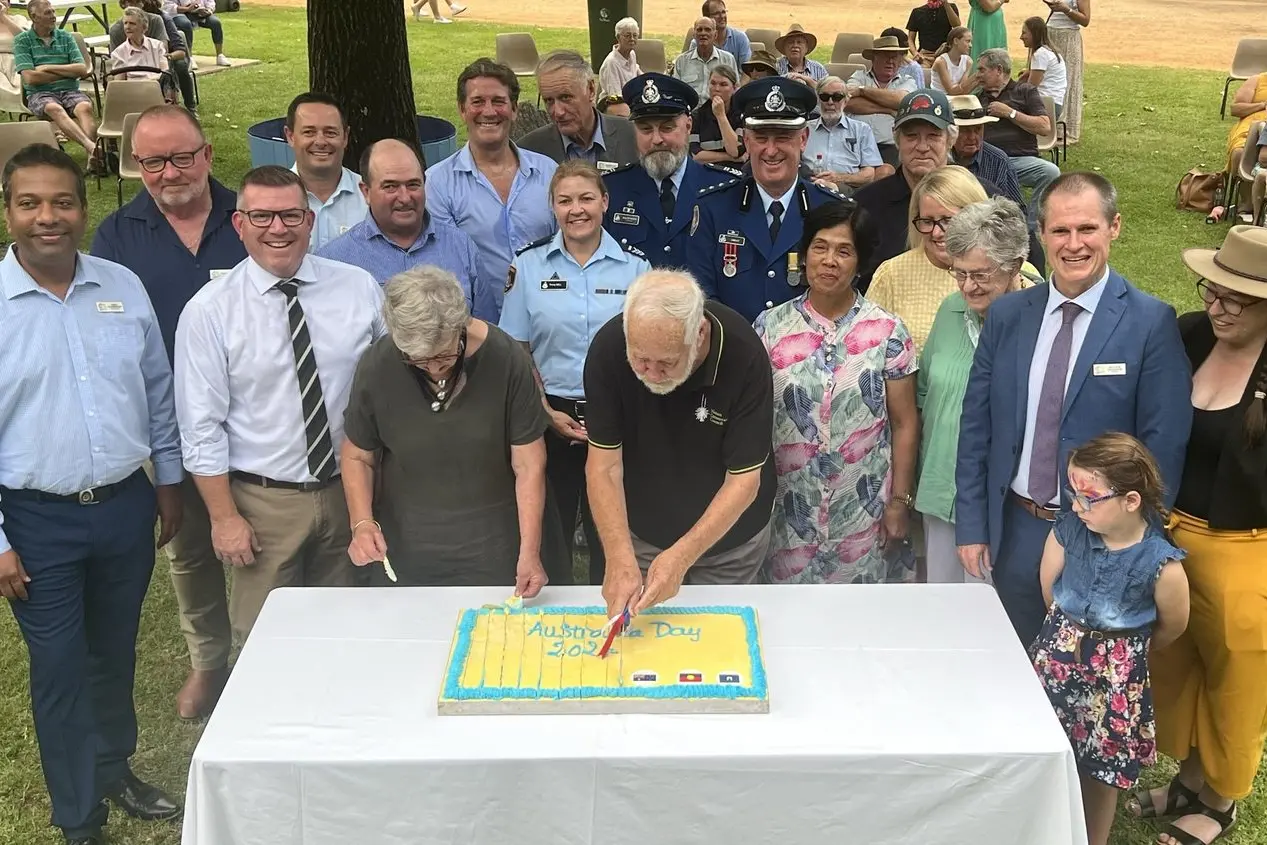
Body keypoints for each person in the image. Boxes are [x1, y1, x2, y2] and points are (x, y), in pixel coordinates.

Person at [0, 144, 183, 845]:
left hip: (123, 506)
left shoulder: (122, 286)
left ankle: (114, 766)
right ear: (10, 210)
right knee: (60, 666)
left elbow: (157, 393)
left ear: (82, 208)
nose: (48, 217)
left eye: (62, 201)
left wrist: (167, 482)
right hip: (36, 519)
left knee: (115, 649)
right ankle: (80, 817)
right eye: (30, 203)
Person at [954, 172, 1193, 648]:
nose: (1074, 244)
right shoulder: (1007, 315)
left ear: (1115, 227)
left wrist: (1133, 542)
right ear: (1041, 235)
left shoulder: (1150, 323)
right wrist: (973, 525)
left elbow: (1163, 442)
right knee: (1012, 670)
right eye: (1060, 231)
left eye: (1088, 229)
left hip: (1103, 540)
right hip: (1017, 528)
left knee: (1090, 687)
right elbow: (977, 426)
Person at [174, 166, 386, 645]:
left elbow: (389, 385)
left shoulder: (357, 288)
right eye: (263, 216)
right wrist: (225, 518)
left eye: (290, 215)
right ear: (239, 224)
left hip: (347, 490)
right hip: (263, 502)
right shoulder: (210, 312)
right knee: (263, 640)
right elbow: (201, 427)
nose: (278, 229)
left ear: (309, 220)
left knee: (346, 628)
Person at [89, 105, 246, 721]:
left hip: (259, 419)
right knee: (191, 549)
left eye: (181, 156)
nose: (169, 172)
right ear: (137, 167)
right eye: (152, 161)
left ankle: (272, 653)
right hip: (170, 424)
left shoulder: (248, 217)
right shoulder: (117, 235)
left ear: (207, 154)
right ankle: (209, 660)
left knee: (271, 538)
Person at [1135, 226, 1267, 845]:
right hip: (1170, 536)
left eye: (1235, 300)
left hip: (1248, 548)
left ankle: (1219, 801)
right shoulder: (1189, 336)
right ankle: (1189, 777)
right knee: (1175, 663)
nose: (1217, 308)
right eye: (1212, 292)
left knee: (1237, 675)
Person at [343, 265, 553, 592]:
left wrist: (530, 552)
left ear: (461, 326)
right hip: (407, 546)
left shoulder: (506, 358)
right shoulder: (378, 364)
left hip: (496, 545)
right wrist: (362, 523)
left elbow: (528, 463)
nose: (436, 370)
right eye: (419, 362)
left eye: (445, 356)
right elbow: (358, 456)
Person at [585, 270, 776, 618]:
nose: (652, 374)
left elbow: (744, 480)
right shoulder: (608, 349)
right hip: (642, 532)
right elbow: (604, 465)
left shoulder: (744, 354)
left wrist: (683, 555)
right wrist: (618, 556)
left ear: (699, 333)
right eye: (641, 359)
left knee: (717, 645)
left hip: (729, 544)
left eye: (667, 362)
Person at [1031, 433, 1190, 845]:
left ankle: (1093, 838)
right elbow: (1049, 586)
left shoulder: (1162, 564)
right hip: (1058, 661)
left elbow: (1173, 624)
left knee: (1101, 771)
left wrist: (1124, 653)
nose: (1077, 506)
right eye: (1073, 494)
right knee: (1047, 748)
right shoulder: (1069, 531)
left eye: (1089, 498)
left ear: (1131, 501)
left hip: (1114, 680)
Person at [501, 161, 651, 585]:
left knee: (615, 531)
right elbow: (516, 348)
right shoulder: (528, 267)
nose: (576, 209)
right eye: (565, 201)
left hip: (619, 416)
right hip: (552, 414)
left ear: (605, 201)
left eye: (586, 198)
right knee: (554, 529)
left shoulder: (636, 269)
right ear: (553, 206)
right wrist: (543, 409)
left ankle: (613, 611)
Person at [756, 201, 920, 584]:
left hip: (862, 511)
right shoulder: (770, 327)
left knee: (859, 625)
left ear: (860, 263)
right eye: (820, 247)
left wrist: (899, 503)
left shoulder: (887, 332)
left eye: (844, 251)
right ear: (804, 253)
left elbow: (904, 422)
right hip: (787, 511)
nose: (830, 260)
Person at [917, 197, 1037, 583]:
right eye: (959, 273)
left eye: (981, 275)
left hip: (1005, 503)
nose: (968, 286)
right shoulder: (950, 309)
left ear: (1015, 266)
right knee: (943, 616)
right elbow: (924, 394)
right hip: (941, 489)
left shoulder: (1039, 320)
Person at [689, 76, 849, 322]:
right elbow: (703, 295)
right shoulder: (713, 208)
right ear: (747, 141)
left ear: (803, 139)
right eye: (762, 138)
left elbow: (840, 298)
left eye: (783, 137)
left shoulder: (831, 210)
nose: (771, 150)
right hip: (733, 351)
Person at [853, 89, 1045, 290]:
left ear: (950, 140)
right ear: (897, 140)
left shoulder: (985, 198)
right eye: (911, 136)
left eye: (933, 136)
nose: (922, 146)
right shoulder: (867, 205)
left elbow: (1028, 255)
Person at [427, 58, 557, 322]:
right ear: (462, 110)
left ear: (514, 110)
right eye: (477, 102)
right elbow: (448, 270)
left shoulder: (549, 172)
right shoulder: (438, 183)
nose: (488, 111)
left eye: (498, 101)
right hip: (478, 328)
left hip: (548, 321)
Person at [317, 139, 482, 312]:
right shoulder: (334, 262)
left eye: (413, 185)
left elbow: (486, 329)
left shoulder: (461, 248)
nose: (404, 198)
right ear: (366, 192)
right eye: (390, 186)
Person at [603, 72, 737, 268]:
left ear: (688, 126)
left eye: (667, 128)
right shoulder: (613, 189)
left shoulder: (723, 189)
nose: (657, 139)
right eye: (646, 130)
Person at [867, 164, 988, 351]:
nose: (937, 232)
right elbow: (868, 350)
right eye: (927, 221)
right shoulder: (891, 274)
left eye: (948, 220)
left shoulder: (1010, 271)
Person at [977, 48, 1061, 226]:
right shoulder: (978, 98)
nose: (978, 75)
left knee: (1051, 172)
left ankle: (1030, 227)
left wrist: (1010, 113)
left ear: (998, 70)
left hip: (1020, 160)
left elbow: (1045, 127)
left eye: (982, 70)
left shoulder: (1025, 91)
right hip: (988, 160)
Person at [12, 0, 100, 169]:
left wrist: (47, 68)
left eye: (53, 11)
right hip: (40, 94)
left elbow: (81, 69)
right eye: (48, 13)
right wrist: (66, 73)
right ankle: (91, 147)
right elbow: (31, 79)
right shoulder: (22, 41)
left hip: (69, 90)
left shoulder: (65, 37)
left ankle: (92, 158)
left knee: (85, 107)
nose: (53, 16)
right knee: (54, 108)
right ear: (33, 16)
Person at [519, 50, 637, 170]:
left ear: (591, 90)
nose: (558, 112)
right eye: (549, 101)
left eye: (566, 97)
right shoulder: (528, 152)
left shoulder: (634, 137)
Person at [284, 92, 368, 252]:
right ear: (290, 136)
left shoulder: (369, 199)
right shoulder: (273, 200)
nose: (321, 142)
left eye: (330, 132)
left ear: (345, 137)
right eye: (309, 132)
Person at [844, 36, 921, 168]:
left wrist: (863, 91)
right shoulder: (859, 76)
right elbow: (848, 103)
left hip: (890, 147)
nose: (890, 61)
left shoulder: (907, 81)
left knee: (886, 172)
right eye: (886, 56)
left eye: (895, 57)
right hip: (856, 145)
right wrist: (888, 108)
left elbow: (901, 101)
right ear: (874, 58)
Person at [804, 76, 882, 194]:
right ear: (819, 100)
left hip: (847, 190)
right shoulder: (804, 129)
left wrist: (839, 178)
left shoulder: (862, 130)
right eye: (825, 97)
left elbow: (869, 175)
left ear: (846, 101)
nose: (830, 102)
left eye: (837, 97)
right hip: (809, 188)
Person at [115, 0, 195, 113]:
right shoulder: (116, 34)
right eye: (126, 23)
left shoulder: (160, 20)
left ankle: (190, 107)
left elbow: (173, 51)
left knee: (180, 66)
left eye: (135, 3)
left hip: (166, 58)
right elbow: (118, 79)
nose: (131, 6)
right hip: (135, 79)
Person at [949, 93, 1024, 207]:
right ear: (952, 132)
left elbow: (1018, 210)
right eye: (965, 130)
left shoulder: (999, 161)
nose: (972, 137)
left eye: (978, 129)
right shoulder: (940, 158)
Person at [1043, 0, 1089, 144]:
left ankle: (1066, 130)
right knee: (1048, 80)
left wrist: (1066, 9)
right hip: (1050, 33)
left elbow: (1085, 20)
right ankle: (1047, 127)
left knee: (1068, 81)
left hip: (1069, 36)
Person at [671, 16, 737, 103]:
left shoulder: (728, 59)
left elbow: (734, 91)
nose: (703, 33)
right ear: (694, 35)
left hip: (717, 111)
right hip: (690, 111)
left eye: (708, 29)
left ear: (715, 35)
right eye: (699, 30)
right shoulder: (682, 61)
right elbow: (676, 92)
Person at [688, 66, 743, 167]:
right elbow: (696, 156)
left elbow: (735, 151)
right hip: (706, 172)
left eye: (723, 84)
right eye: (713, 83)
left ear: (734, 88)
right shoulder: (697, 116)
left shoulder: (740, 114)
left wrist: (721, 116)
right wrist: (729, 157)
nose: (717, 89)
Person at [108, 7, 169, 90]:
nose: (127, 27)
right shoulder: (119, 53)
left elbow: (165, 74)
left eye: (132, 23)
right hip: (133, 93)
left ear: (143, 27)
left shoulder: (157, 46)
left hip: (157, 91)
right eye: (125, 23)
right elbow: (120, 85)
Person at [1019, 17, 1067, 120]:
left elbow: (1030, 88)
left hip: (1045, 106)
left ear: (1034, 34)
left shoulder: (1040, 54)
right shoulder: (1049, 51)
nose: (1021, 37)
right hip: (1054, 104)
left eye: (1024, 33)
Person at [164, 0, 228, 67]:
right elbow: (169, 6)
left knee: (215, 22)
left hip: (199, 13)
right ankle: (190, 57)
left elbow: (210, 2)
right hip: (179, 14)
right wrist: (187, 9)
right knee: (185, 24)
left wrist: (208, 10)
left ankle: (220, 55)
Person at [696, 0, 751, 64]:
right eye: (717, 13)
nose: (722, 16)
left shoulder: (740, 38)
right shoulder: (698, 42)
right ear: (707, 18)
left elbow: (747, 71)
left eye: (723, 12)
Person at [599, 17, 640, 98]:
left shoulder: (631, 53)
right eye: (627, 36)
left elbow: (637, 71)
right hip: (614, 105)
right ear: (618, 37)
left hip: (630, 98)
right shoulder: (612, 63)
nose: (632, 39)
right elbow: (616, 97)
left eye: (635, 35)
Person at [930, 26, 976, 95]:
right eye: (967, 41)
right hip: (940, 99)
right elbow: (951, 91)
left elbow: (963, 89)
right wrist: (975, 77)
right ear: (956, 41)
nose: (970, 45)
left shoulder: (968, 61)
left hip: (957, 98)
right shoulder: (941, 62)